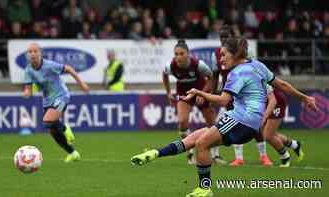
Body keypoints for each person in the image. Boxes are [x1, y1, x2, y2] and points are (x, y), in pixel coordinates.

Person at [131, 37, 318, 197]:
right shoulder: (257, 65)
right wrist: (305, 98)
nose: (221, 58)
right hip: (245, 122)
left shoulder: (235, 74)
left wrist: (199, 92)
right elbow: (282, 85)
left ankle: (204, 189)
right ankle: (155, 153)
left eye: (223, 54)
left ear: (235, 54)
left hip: (241, 120)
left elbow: (223, 100)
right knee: (195, 138)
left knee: (202, 144)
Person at [211, 25, 272, 167]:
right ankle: (239, 158)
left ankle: (264, 156)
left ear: (232, 39)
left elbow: (255, 69)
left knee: (255, 125)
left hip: (246, 91)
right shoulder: (217, 54)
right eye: (221, 38)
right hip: (229, 91)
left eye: (226, 37)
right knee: (233, 122)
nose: (223, 40)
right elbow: (215, 75)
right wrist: (213, 91)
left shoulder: (245, 52)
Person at [23, 43, 90, 163]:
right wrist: (27, 92)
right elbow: (28, 88)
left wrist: (81, 84)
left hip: (61, 96)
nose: (32, 54)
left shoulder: (49, 65)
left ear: (40, 53)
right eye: (30, 52)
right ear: (28, 55)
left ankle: (65, 128)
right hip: (47, 100)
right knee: (52, 129)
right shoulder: (28, 70)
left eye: (35, 51)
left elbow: (68, 68)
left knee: (48, 120)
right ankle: (73, 153)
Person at [162, 39, 225, 165]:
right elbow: (164, 75)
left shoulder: (198, 64)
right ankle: (190, 155)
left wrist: (204, 93)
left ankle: (215, 155)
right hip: (184, 94)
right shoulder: (170, 66)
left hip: (200, 91)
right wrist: (168, 92)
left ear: (188, 53)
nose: (178, 57)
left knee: (211, 123)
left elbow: (211, 77)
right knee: (182, 121)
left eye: (181, 53)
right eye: (176, 54)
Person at [262, 85, 304, 167]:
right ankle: (294, 144)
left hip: (276, 103)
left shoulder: (260, 78)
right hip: (265, 103)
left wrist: (265, 116)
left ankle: (285, 157)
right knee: (269, 133)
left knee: (268, 135)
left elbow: (273, 99)